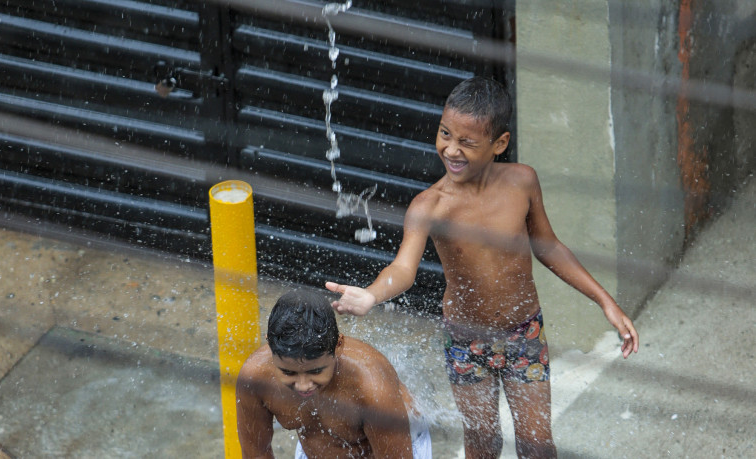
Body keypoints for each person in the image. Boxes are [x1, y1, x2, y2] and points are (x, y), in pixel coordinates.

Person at [326, 76, 639, 458]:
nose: (451, 149)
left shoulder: (522, 182)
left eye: (467, 142)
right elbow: (403, 268)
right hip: (465, 340)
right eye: (445, 134)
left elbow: (550, 247)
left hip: (524, 332)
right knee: (482, 444)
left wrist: (605, 301)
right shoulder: (431, 206)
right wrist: (373, 294)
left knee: (537, 446)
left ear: (499, 144)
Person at [236, 289, 432, 458]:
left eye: (316, 371)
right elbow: (256, 454)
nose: (303, 385)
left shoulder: (371, 388)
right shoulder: (255, 378)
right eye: (288, 372)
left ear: (338, 346)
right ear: (270, 345)